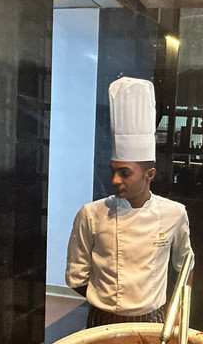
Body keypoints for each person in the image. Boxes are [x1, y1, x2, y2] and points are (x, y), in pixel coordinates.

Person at [66, 77, 191, 328]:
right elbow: (76, 277)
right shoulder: (90, 214)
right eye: (113, 171)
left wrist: (178, 310)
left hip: (153, 319)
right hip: (101, 319)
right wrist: (106, 303)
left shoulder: (174, 213)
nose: (115, 180)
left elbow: (186, 265)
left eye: (124, 173)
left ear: (149, 174)